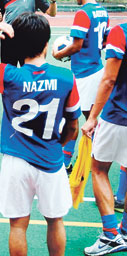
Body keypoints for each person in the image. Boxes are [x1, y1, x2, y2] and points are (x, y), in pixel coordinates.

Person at [0, 12, 81, 256]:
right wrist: (58, 145)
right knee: (55, 221)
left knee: (18, 225)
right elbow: (73, 126)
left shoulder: (8, 75)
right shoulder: (66, 77)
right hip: (51, 161)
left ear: (18, 45)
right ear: (47, 43)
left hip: (16, 160)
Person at [52, 0, 109, 174]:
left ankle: (83, 162)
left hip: (84, 74)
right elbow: (102, 42)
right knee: (86, 118)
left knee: (79, 119)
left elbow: (76, 46)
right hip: (96, 69)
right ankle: (74, 160)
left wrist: (59, 54)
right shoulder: (102, 11)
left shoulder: (83, 13)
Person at [81, 22, 127, 255]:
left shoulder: (122, 32)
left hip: (118, 116)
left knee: (98, 169)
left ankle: (111, 235)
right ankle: (126, 231)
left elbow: (109, 80)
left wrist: (92, 117)